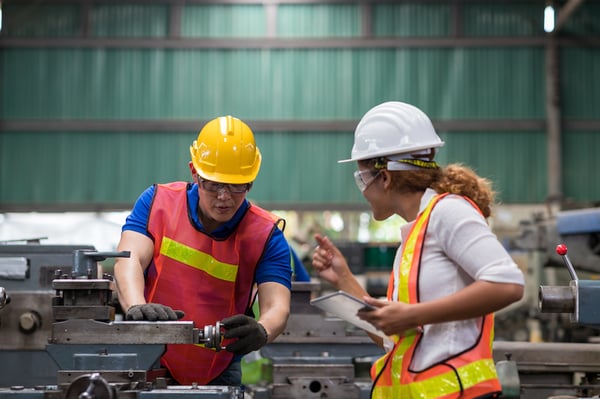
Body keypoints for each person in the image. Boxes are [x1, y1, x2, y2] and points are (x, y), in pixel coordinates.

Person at [312, 101, 525, 399]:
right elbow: (393, 338)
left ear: (384, 177)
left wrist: (414, 314)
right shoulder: (416, 236)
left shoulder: (449, 211)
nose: (360, 189)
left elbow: (508, 284)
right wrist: (344, 279)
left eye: (361, 177)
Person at [113, 115, 292, 386]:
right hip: (148, 356)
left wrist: (263, 331)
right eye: (214, 184)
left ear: (251, 181)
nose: (224, 196)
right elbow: (129, 258)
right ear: (194, 172)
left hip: (218, 368)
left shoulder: (265, 235)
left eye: (236, 185)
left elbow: (277, 305)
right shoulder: (157, 203)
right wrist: (137, 305)